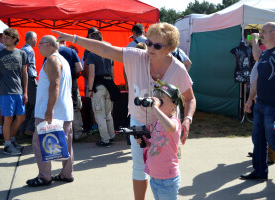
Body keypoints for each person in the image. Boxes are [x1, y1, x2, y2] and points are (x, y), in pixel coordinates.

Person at [52, 22, 196, 200]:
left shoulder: (178, 69)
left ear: (170, 49)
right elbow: (105, 49)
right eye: (149, 43)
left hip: (165, 125)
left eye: (157, 46)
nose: (150, 48)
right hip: (138, 120)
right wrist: (73, 38)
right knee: (139, 167)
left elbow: (190, 98)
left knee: (164, 166)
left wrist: (187, 119)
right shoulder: (137, 56)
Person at [241, 22, 275, 180]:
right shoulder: (265, 53)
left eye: (264, 31)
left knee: (273, 138)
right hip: (260, 105)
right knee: (258, 138)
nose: (260, 34)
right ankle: (260, 171)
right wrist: (250, 99)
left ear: (274, 34)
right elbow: (257, 79)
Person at [26, 35, 74, 187]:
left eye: (40, 44)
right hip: (63, 110)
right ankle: (67, 174)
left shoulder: (53, 60)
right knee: (66, 144)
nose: (38, 46)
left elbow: (55, 84)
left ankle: (44, 176)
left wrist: (49, 110)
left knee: (40, 143)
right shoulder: (63, 60)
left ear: (48, 45)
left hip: (52, 111)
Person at [136, 82, 184, 200]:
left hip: (167, 180)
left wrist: (156, 108)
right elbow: (156, 145)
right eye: (156, 99)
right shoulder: (157, 123)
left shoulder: (174, 122)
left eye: (161, 100)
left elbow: (170, 128)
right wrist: (146, 144)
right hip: (155, 177)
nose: (157, 103)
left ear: (173, 105)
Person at [0, 28, 28, 156]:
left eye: (7, 37)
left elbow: (25, 73)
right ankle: (7, 145)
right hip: (5, 92)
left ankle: (11, 140)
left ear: (14, 39)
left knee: (21, 117)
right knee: (8, 119)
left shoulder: (22, 54)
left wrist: (25, 92)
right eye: (3, 37)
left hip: (19, 91)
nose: (4, 39)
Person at [248, 32, 275, 165]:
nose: (262, 36)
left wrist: (254, 40)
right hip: (260, 97)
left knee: (271, 131)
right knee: (259, 130)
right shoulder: (267, 51)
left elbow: (256, 55)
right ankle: (260, 152)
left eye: (264, 33)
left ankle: (270, 156)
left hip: (270, 99)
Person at [86, 31, 117, 147]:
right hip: (109, 85)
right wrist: (112, 85)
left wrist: (90, 89)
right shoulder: (109, 52)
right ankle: (111, 136)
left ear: (93, 40)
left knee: (100, 115)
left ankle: (105, 139)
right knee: (108, 114)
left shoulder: (91, 54)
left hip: (98, 87)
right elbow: (113, 72)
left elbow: (91, 73)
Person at [58, 40, 86, 141]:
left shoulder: (51, 52)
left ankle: (63, 134)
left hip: (57, 84)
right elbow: (79, 68)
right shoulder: (70, 51)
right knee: (76, 107)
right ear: (64, 42)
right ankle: (78, 133)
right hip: (71, 82)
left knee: (60, 107)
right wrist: (72, 72)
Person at [19, 31, 38, 137]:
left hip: (24, 79)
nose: (36, 41)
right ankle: (30, 128)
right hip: (29, 79)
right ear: (31, 38)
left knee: (27, 106)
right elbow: (27, 68)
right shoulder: (29, 50)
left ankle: (22, 129)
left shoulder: (22, 49)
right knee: (36, 105)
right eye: (35, 38)